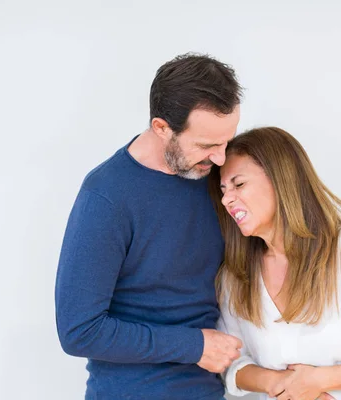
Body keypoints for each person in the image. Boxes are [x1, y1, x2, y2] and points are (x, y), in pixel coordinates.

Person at [55, 53, 244, 400]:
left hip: (210, 391)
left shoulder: (220, 177)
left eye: (226, 141)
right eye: (206, 145)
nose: (220, 158)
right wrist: (194, 345)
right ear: (161, 128)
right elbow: (79, 332)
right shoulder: (106, 197)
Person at [208, 127, 341, 400]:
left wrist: (317, 381)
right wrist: (277, 383)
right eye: (223, 190)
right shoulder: (235, 275)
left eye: (239, 184)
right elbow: (230, 362)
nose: (227, 199)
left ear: (281, 180)